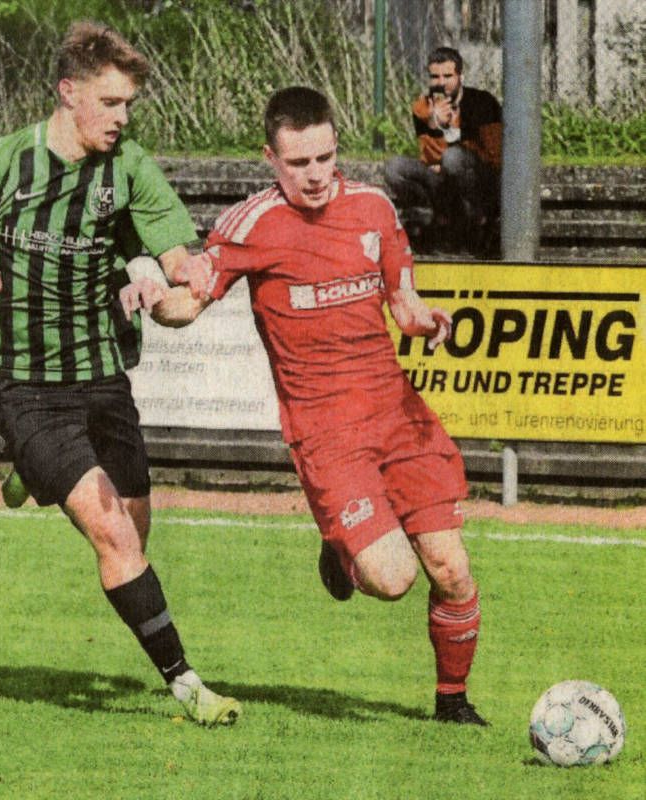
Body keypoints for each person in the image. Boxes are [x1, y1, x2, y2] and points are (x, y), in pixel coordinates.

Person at [125, 86, 489, 725]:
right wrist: (154, 296)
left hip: (397, 415)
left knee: (453, 569)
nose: (317, 175)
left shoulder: (374, 209)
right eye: (299, 164)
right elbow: (189, 304)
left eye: (325, 158)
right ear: (271, 157)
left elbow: (403, 303)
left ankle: (452, 705)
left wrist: (428, 320)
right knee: (393, 578)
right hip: (327, 432)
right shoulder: (251, 225)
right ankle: (342, 542)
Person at [0, 20, 240, 727]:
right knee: (114, 538)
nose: (123, 119)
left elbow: (180, 266)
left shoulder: (130, 167)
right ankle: (188, 687)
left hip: (101, 378)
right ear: (68, 94)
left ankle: (34, 475)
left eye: (130, 105)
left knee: (136, 532)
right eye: (111, 103)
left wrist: (176, 288)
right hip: (23, 384)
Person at [384, 46, 502, 255]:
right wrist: (435, 125)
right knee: (394, 167)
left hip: (479, 181)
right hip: (444, 184)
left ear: (460, 76)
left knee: (453, 158)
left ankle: (475, 225)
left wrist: (455, 140)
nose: (441, 83)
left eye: (448, 76)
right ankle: (430, 216)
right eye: (435, 76)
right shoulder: (423, 107)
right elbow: (429, 158)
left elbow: (495, 155)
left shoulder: (482, 103)